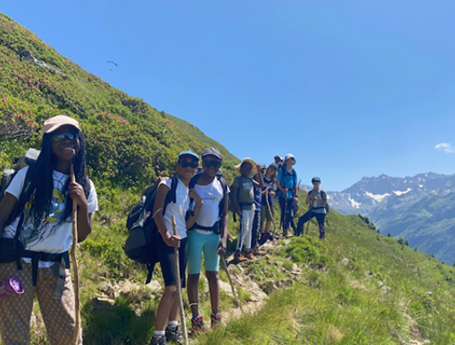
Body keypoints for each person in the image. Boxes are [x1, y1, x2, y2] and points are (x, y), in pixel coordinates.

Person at [0, 115, 98, 345]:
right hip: (15, 263)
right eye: (59, 136)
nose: (67, 141)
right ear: (48, 142)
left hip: (55, 266)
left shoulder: (85, 184)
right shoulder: (29, 175)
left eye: (73, 135)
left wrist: (82, 204)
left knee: (69, 334)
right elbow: (3, 214)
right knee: (16, 334)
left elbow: (81, 235)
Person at [151, 151, 202, 345]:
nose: (188, 167)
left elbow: (187, 224)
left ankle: (172, 327)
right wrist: (166, 236)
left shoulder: (189, 191)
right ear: (178, 165)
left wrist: (198, 204)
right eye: (184, 163)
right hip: (167, 239)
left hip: (183, 239)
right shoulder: (167, 184)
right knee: (171, 287)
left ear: (196, 168)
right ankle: (158, 336)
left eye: (193, 164)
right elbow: (157, 211)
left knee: (179, 287)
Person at [186, 148, 229, 332]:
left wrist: (224, 238)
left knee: (213, 275)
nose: (211, 167)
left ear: (219, 166)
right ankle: (196, 318)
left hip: (213, 235)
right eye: (208, 163)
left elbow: (225, 212)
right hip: (194, 234)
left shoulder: (222, 183)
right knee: (193, 276)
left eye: (215, 163)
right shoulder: (193, 181)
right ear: (202, 163)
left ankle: (216, 315)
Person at [231, 158, 262, 261]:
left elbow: (261, 186)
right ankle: (238, 252)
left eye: (249, 168)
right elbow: (234, 195)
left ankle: (248, 251)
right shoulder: (238, 180)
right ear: (241, 168)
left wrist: (259, 173)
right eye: (245, 167)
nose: (247, 169)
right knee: (245, 229)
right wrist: (236, 208)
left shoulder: (250, 180)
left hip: (251, 207)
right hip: (243, 207)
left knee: (249, 229)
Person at [276, 154, 298, 237]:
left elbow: (295, 185)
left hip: (291, 195)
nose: (291, 161)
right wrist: (282, 190)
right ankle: (287, 229)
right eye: (289, 159)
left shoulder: (293, 172)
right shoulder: (282, 170)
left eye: (292, 159)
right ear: (286, 161)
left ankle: (289, 229)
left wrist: (296, 196)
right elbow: (277, 182)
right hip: (282, 195)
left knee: (290, 213)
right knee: (285, 212)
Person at [259, 163, 278, 244]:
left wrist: (272, 192)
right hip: (261, 200)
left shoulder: (273, 181)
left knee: (270, 217)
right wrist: (262, 193)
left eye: (273, 169)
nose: (271, 170)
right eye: (271, 168)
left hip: (268, 200)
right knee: (262, 218)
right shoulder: (262, 178)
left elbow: (274, 190)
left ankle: (267, 232)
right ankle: (262, 234)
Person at [251, 166, 264, 255]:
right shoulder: (252, 182)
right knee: (252, 228)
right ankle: (251, 247)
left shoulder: (259, 183)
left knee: (256, 228)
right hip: (252, 208)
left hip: (258, 208)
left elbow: (262, 185)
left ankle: (253, 246)